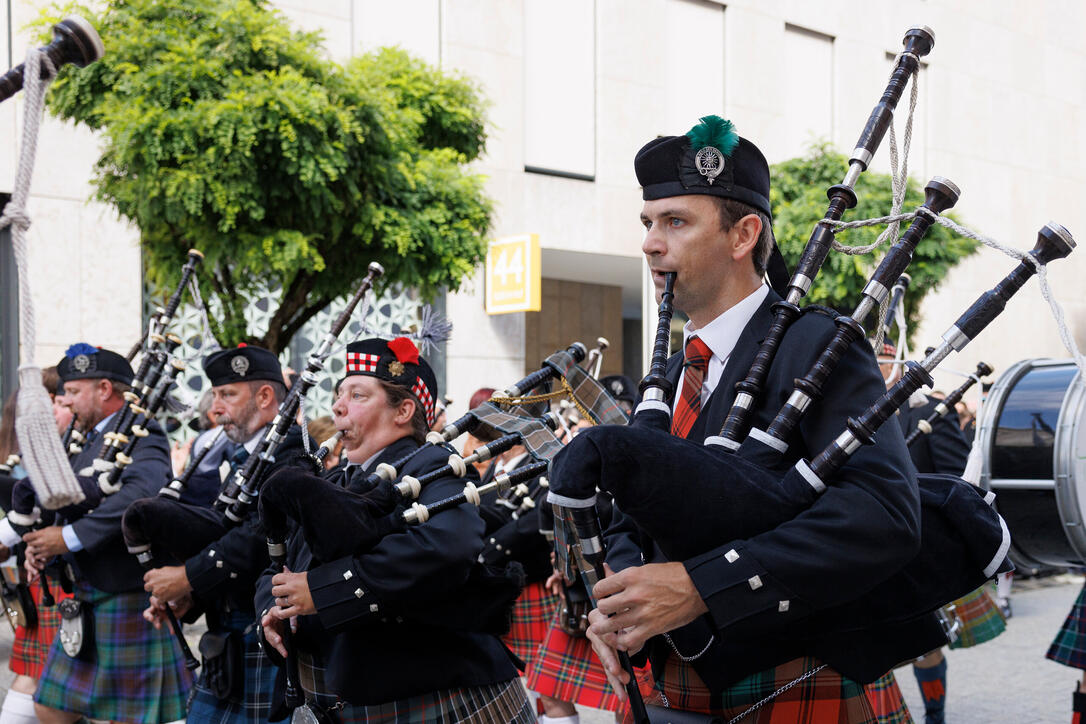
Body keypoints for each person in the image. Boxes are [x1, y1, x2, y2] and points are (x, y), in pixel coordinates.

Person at [585, 116, 923, 722]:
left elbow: (884, 515)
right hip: (672, 688)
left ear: (744, 235)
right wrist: (624, 597)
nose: (650, 243)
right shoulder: (669, 373)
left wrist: (701, 586)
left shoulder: (817, 346)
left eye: (676, 222)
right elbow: (634, 518)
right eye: (648, 223)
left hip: (795, 681)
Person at [257, 337, 533, 722]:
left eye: (357, 395)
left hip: (437, 698)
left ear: (403, 410)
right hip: (344, 698)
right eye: (339, 394)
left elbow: (445, 546)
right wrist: (272, 609)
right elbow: (277, 562)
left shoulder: (434, 466)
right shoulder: (335, 480)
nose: (337, 406)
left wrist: (321, 591)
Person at [141, 345, 311, 724]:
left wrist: (187, 577)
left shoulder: (291, 455)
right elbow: (221, 531)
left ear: (266, 397)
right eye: (215, 395)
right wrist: (192, 595)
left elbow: (259, 536)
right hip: (230, 633)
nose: (214, 409)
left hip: (264, 633)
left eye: (227, 395)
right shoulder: (240, 456)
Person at [27, 344, 191, 724]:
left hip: (126, 592)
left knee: (127, 717)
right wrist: (46, 545)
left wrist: (68, 538)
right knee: (50, 706)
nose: (66, 401)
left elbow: (140, 496)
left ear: (104, 389)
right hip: (87, 593)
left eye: (73, 391)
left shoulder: (143, 435)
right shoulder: (86, 440)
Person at [875, 343, 1006, 724]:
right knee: (869, 643)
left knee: (924, 645)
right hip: (867, 544)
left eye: (884, 359)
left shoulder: (932, 412)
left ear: (898, 363)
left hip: (917, 542)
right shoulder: (856, 412)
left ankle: (935, 716)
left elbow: (956, 482)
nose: (879, 366)